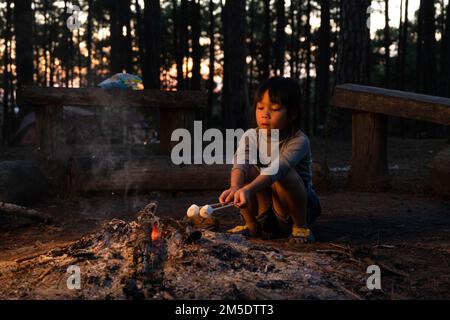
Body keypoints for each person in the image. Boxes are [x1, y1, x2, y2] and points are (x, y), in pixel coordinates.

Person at [219, 77, 321, 243]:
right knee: (248, 170)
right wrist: (235, 187)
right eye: (260, 108)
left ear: (293, 113)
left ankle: (301, 228)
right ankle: (251, 224)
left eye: (274, 109)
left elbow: (277, 169)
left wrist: (249, 189)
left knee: (284, 174)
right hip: (265, 209)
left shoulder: (299, 140)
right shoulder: (251, 136)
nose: (265, 114)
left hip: (295, 209)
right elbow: (241, 161)